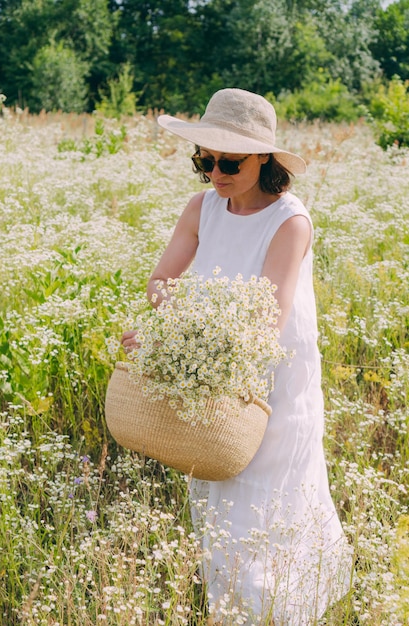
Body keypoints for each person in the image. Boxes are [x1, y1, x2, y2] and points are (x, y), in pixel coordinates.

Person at [122, 88, 353, 625]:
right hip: (209, 374)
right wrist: (162, 336)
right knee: (216, 485)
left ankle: (279, 611)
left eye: (230, 160)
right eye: (205, 159)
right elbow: (160, 283)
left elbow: (264, 324)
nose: (215, 172)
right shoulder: (202, 207)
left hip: (273, 382)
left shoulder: (289, 221)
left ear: (265, 160)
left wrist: (178, 327)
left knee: (274, 503)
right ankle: (233, 611)